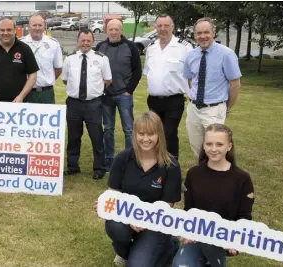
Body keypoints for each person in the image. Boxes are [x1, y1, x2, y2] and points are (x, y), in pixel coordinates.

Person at [104, 111, 181, 266]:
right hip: (126, 216)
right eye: (141, 133)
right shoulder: (123, 158)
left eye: (151, 134)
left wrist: (143, 219)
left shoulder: (170, 165)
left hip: (155, 222)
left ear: (159, 135)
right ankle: (125, 250)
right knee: (115, 226)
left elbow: (167, 205)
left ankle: (168, 245)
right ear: (135, 134)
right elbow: (114, 192)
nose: (145, 139)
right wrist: (108, 205)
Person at [172, 123, 254, 267]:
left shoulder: (242, 178)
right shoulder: (194, 174)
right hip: (197, 236)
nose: (213, 149)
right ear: (203, 145)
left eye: (219, 144)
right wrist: (186, 231)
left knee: (210, 243)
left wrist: (235, 240)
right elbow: (189, 210)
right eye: (209, 144)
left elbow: (244, 216)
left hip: (226, 239)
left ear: (229, 146)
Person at [184, 17, 241, 157]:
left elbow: (235, 84)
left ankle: (218, 176)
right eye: (199, 33)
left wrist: (226, 107)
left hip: (214, 110)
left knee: (214, 150)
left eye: (206, 32)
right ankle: (203, 175)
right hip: (193, 109)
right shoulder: (190, 55)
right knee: (197, 147)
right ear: (194, 35)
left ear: (213, 33)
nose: (203, 36)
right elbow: (191, 80)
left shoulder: (226, 54)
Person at [61, 29, 112, 180]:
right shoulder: (69, 59)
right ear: (78, 41)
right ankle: (72, 166)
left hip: (93, 104)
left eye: (88, 40)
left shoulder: (101, 59)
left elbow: (107, 80)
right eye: (82, 40)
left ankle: (99, 168)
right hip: (74, 104)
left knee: (97, 136)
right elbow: (65, 79)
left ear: (93, 41)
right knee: (73, 137)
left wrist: (94, 90)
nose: (85, 43)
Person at [143, 14, 193, 160]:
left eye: (166, 26)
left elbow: (192, 75)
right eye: (160, 26)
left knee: (169, 134)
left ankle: (172, 168)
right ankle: (156, 164)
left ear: (172, 27)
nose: (163, 29)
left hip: (174, 100)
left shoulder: (184, 47)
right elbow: (148, 72)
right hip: (153, 100)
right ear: (155, 27)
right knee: (154, 134)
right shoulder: (151, 48)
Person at [96, 18, 142, 171]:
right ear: (106, 30)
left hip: (124, 95)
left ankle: (129, 158)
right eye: (111, 29)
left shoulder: (130, 47)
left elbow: (137, 71)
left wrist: (129, 90)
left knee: (128, 129)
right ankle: (109, 159)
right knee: (108, 128)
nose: (114, 32)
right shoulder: (100, 47)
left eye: (117, 29)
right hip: (106, 96)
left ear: (121, 30)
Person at [0, 17, 40, 102]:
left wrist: (21, 96)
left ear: (15, 30)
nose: (5, 33)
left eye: (9, 30)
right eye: (2, 30)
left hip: (19, 103)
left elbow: (33, 74)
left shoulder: (25, 49)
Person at [19, 14, 63, 104]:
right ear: (28, 27)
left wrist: (46, 80)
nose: (37, 28)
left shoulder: (53, 43)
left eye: (40, 25)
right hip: (26, 92)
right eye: (34, 25)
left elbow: (58, 68)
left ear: (44, 26)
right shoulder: (20, 44)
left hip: (46, 93)